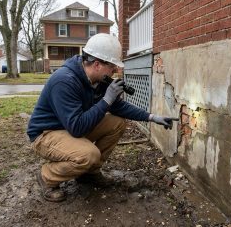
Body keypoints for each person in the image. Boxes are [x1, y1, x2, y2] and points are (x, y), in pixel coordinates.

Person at [27, 33, 178, 202]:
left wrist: (152, 117)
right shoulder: (64, 81)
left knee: (117, 123)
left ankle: (89, 174)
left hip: (68, 127)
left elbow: (119, 107)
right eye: (113, 67)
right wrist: (107, 99)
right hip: (46, 133)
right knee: (88, 155)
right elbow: (77, 128)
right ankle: (46, 176)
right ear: (97, 64)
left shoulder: (98, 80)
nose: (115, 71)